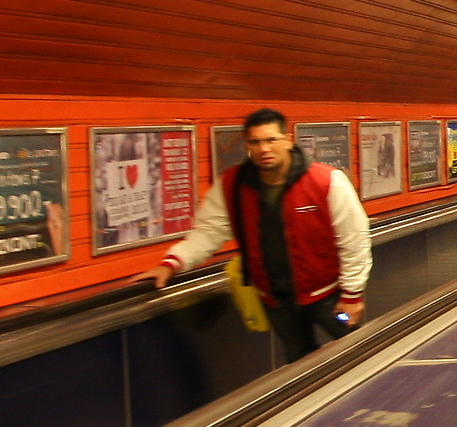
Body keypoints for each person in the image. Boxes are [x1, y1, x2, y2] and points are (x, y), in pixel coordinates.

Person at [145, 107, 370, 361]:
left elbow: (355, 238)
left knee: (358, 352)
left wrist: (352, 294)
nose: (264, 149)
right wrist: (171, 264)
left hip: (329, 295)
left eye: (271, 140)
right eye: (256, 142)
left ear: (288, 140)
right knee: (299, 363)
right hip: (276, 301)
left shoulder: (326, 181)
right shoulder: (233, 185)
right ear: (247, 146)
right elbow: (208, 232)